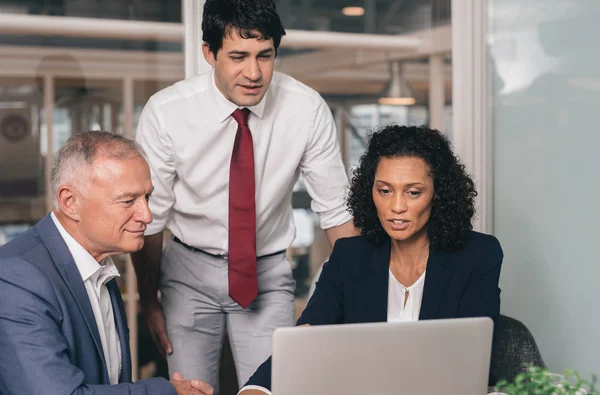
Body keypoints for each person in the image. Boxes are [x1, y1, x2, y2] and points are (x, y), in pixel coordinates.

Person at [132, 0, 356, 391]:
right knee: (191, 390)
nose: (253, 73)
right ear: (209, 53)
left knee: (274, 388)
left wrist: (358, 296)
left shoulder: (306, 109)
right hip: (187, 273)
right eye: (238, 56)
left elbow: (336, 212)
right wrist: (148, 300)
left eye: (264, 56)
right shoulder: (166, 112)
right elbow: (152, 218)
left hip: (266, 273)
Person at [240, 124, 504, 394]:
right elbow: (306, 339)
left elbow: (474, 356)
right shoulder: (349, 256)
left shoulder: (478, 254)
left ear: (437, 194)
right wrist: (258, 388)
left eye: (413, 192)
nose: (396, 206)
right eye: (385, 190)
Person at [0, 132, 213, 395]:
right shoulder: (15, 278)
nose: (146, 215)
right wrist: (166, 391)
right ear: (70, 202)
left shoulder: (98, 262)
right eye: (128, 201)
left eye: (147, 198)